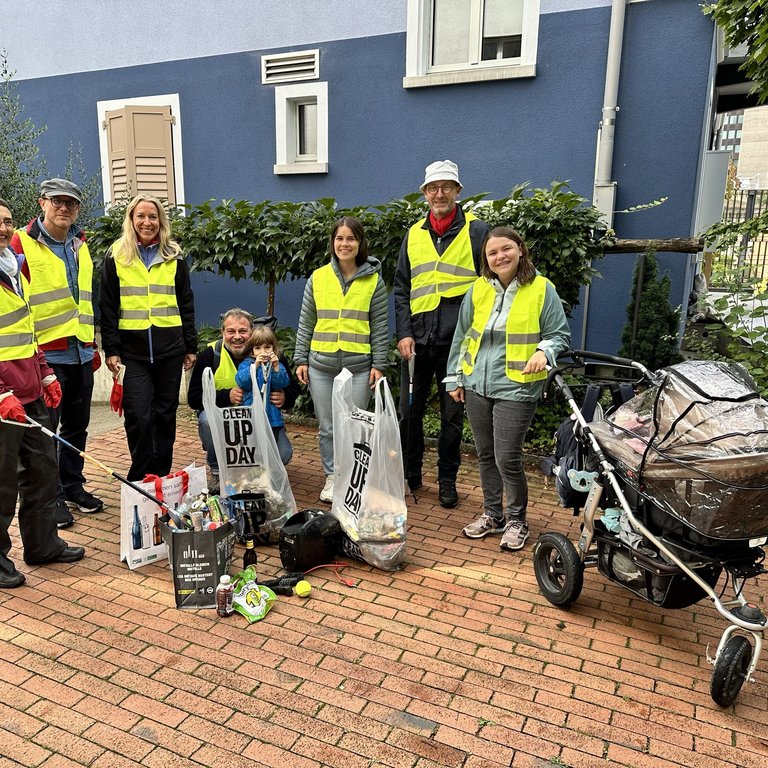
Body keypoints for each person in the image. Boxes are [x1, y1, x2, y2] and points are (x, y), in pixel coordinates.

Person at [446, 227, 570, 550]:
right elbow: (462, 336)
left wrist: (545, 352)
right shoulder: (478, 289)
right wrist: (455, 377)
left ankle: (517, 520)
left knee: (507, 458)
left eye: (506, 249)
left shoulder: (542, 289)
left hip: (516, 388)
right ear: (486, 259)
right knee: (485, 454)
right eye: (492, 252)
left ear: (520, 249)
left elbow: (560, 335)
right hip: (476, 384)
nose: (500, 256)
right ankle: (493, 514)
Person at [393, 160, 489, 508]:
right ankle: (410, 472)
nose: (439, 193)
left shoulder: (477, 232)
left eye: (446, 187)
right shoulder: (413, 234)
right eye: (433, 188)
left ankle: (447, 479)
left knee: (451, 416)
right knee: (409, 412)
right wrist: (402, 331)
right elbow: (401, 288)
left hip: (457, 343)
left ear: (458, 191)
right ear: (425, 194)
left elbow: (490, 286)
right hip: (416, 341)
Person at [0, 198, 85, 587]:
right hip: (4, 403)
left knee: (42, 470)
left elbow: (27, 330)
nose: (3, 229)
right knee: (3, 482)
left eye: (7, 222)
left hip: (30, 391)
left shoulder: (12, 271)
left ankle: (42, 544)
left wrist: (46, 373)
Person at [11, 179, 103, 529]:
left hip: (80, 352)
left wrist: (91, 345)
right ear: (42, 203)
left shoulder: (80, 245)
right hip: (46, 356)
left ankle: (72, 485)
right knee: (48, 433)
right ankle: (52, 500)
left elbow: (84, 299)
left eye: (71, 203)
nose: (64, 208)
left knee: (77, 427)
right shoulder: (22, 243)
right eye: (57, 201)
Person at [100, 194, 198, 481]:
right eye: (140, 216)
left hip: (170, 349)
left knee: (165, 415)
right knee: (139, 416)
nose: (147, 222)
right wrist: (112, 349)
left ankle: (161, 476)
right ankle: (140, 475)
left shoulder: (174, 255)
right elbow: (107, 306)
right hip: (132, 353)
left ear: (161, 221)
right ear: (131, 220)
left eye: (153, 216)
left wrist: (189, 345)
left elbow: (186, 302)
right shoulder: (116, 255)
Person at [294, 216, 389, 502]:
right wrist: (301, 359)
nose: (344, 244)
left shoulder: (374, 281)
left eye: (351, 238)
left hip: (359, 367)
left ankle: (352, 477)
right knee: (328, 427)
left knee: (355, 426)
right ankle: (333, 476)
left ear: (360, 243)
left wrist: (379, 364)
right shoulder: (318, 278)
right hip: (320, 366)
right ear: (332, 243)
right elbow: (306, 322)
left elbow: (381, 326)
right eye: (339, 238)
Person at [187, 309, 300, 487]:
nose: (237, 337)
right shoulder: (210, 355)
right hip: (225, 423)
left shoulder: (270, 353)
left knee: (284, 454)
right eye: (231, 331)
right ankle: (218, 471)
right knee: (206, 419)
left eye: (243, 331)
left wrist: (285, 397)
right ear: (222, 333)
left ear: (252, 332)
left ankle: (259, 473)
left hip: (263, 420)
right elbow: (193, 398)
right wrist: (226, 396)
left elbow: (293, 387)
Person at [234, 324, 291, 450]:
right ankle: (254, 469)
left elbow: (282, 383)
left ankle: (269, 469)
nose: (263, 351)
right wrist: (255, 366)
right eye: (258, 348)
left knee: (271, 448)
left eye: (267, 347)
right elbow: (242, 381)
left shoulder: (277, 366)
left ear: (274, 349)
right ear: (252, 351)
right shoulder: (247, 364)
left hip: (272, 417)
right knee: (252, 447)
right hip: (250, 415)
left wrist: (276, 368)